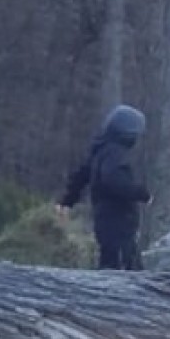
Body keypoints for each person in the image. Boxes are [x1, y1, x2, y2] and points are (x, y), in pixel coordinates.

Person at [58, 104, 151, 271]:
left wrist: (67, 200)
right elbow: (114, 181)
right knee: (122, 267)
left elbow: (81, 176)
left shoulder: (101, 150)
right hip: (118, 221)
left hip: (105, 220)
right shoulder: (116, 153)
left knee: (118, 262)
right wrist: (141, 193)